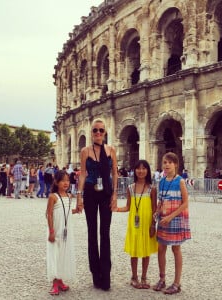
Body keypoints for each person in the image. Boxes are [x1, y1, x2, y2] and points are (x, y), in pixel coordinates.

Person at [76, 118, 118, 291]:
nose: (98, 133)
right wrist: (79, 195)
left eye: (101, 130)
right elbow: (83, 174)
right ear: (91, 132)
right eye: (95, 130)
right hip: (91, 193)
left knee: (105, 233)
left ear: (105, 132)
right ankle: (95, 273)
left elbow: (115, 173)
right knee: (92, 232)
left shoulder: (111, 150)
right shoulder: (85, 151)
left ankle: (106, 274)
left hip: (106, 193)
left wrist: (115, 194)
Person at [115, 160, 157, 289]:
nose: (141, 171)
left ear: (148, 171)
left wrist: (152, 225)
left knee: (145, 251)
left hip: (146, 223)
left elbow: (154, 209)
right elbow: (128, 206)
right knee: (134, 251)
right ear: (135, 171)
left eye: (144, 168)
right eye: (138, 168)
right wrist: (116, 208)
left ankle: (144, 277)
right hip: (134, 223)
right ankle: (134, 277)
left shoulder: (152, 188)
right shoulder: (130, 188)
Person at [153, 152, 191, 295]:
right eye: (164, 162)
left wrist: (170, 216)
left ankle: (176, 283)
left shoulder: (180, 181)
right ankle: (162, 279)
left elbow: (185, 202)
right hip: (163, 218)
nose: (167, 165)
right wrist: (157, 211)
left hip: (176, 218)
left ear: (176, 164)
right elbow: (160, 200)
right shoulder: (161, 181)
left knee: (176, 250)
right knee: (161, 248)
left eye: (170, 162)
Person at [46, 170, 76, 295]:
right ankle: (54, 283)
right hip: (55, 230)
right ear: (57, 182)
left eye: (68, 180)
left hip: (66, 230)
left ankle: (60, 280)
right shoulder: (53, 196)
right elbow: (49, 214)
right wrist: (51, 231)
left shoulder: (69, 196)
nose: (66, 183)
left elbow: (67, 212)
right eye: (63, 180)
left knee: (63, 254)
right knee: (55, 254)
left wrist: (76, 210)